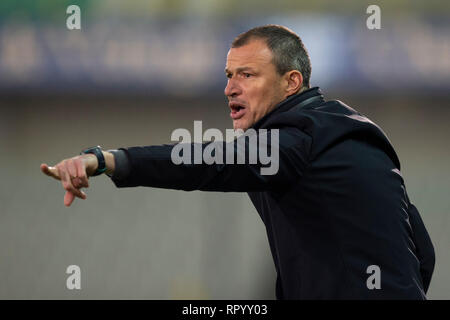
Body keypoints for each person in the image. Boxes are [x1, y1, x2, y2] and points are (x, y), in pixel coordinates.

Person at [41, 25, 435, 299]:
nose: (230, 88)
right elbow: (422, 248)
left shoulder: (293, 142)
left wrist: (108, 160)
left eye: (247, 74)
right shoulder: (349, 136)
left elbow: (199, 160)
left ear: (291, 82)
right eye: (229, 75)